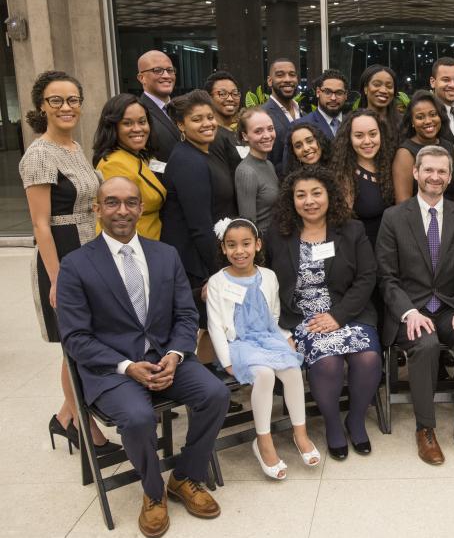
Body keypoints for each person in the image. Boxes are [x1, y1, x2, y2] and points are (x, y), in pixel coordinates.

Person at [57, 177, 229, 536]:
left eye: (131, 202)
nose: (123, 210)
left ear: (141, 207)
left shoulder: (165, 255)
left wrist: (174, 355)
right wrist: (126, 366)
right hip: (112, 369)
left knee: (216, 394)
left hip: (165, 358)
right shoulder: (75, 265)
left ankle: (185, 477)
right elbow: (75, 337)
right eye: (113, 202)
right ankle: (153, 492)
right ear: (97, 208)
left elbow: (185, 315)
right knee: (137, 419)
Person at [20, 70, 119, 456]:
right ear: (42, 106)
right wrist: (58, 277)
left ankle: (65, 417)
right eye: (56, 100)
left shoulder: (74, 148)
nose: (66, 107)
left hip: (89, 248)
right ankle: (82, 425)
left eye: (73, 99)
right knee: (74, 345)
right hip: (62, 254)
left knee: (89, 338)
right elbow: (41, 224)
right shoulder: (40, 154)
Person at [376, 145, 454, 465]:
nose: (434, 177)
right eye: (429, 170)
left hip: (451, 306)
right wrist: (408, 312)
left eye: (441, 172)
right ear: (416, 172)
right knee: (425, 345)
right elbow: (387, 277)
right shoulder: (394, 217)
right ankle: (425, 429)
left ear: (449, 177)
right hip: (412, 308)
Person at [266, 167, 381, 460]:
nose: (309, 201)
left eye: (316, 193)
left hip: (348, 311)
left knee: (367, 357)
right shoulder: (278, 235)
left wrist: (338, 316)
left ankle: (354, 420)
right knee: (328, 363)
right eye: (301, 195)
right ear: (291, 200)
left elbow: (367, 276)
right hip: (303, 318)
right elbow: (262, 277)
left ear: (329, 195)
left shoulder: (352, 230)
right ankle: (332, 425)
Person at [206, 218, 319, 479]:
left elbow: (274, 315)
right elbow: (214, 326)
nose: (239, 251)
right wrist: (226, 361)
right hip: (238, 344)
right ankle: (263, 440)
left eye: (246, 244)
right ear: (223, 248)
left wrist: (286, 336)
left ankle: (300, 433)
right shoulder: (217, 282)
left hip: (266, 337)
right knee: (265, 375)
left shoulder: (268, 276)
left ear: (257, 245)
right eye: (231, 245)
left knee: (292, 368)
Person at [160, 90, 238, 327]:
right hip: (196, 263)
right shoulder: (187, 161)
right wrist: (221, 271)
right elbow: (199, 225)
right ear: (180, 125)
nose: (207, 124)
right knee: (208, 326)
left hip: (206, 254)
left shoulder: (204, 152)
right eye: (197, 119)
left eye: (210, 117)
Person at [92, 93, 165, 240]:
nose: (138, 129)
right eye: (127, 123)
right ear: (113, 127)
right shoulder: (114, 164)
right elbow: (118, 219)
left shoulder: (141, 155)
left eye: (142, 121)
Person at [330, 109, 395, 247]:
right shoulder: (345, 175)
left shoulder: (390, 163)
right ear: (349, 138)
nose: (367, 141)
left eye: (373, 134)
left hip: (390, 249)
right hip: (364, 251)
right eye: (359, 136)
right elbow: (342, 227)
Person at [393, 90, 454, 203]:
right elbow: (403, 204)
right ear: (412, 122)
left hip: (451, 217)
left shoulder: (450, 147)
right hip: (419, 219)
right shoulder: (405, 154)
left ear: (440, 116)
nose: (428, 121)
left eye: (433, 114)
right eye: (420, 117)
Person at [234, 108, 279, 236]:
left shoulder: (269, 164)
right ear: (245, 136)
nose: (267, 135)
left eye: (270, 129)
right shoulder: (246, 172)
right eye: (258, 131)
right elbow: (249, 226)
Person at [136, 50, 181, 162]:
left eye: (170, 70)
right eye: (158, 70)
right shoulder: (138, 112)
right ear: (142, 78)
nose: (166, 76)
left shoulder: (183, 108)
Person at [263, 58, 302, 174]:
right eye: (280, 75)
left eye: (292, 75)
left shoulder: (303, 114)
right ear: (270, 81)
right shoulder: (262, 115)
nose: (287, 79)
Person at [358, 64, 402, 152]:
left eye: (389, 86)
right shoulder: (354, 121)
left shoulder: (403, 123)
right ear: (365, 88)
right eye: (377, 85)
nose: (383, 90)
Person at [304, 69, 348, 140]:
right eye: (328, 92)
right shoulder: (301, 125)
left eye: (339, 93)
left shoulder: (352, 123)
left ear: (346, 95)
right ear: (318, 92)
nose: (333, 98)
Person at [204, 70, 243, 139]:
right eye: (222, 94)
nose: (230, 99)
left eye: (235, 94)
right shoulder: (207, 133)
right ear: (209, 98)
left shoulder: (244, 130)